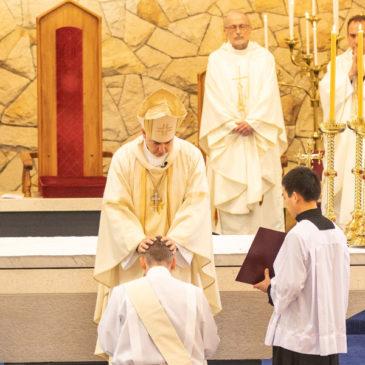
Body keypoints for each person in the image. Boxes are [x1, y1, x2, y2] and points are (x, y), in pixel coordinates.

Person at [93, 89, 221, 355]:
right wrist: (136, 240)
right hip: (137, 260)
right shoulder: (124, 158)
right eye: (155, 143)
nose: (162, 149)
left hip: (175, 257)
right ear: (143, 133)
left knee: (181, 335)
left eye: (168, 142)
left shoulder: (191, 156)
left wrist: (180, 238)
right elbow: (114, 205)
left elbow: (198, 201)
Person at [199, 10, 287, 235]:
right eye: (233, 27)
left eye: (242, 26)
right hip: (231, 139)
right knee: (232, 196)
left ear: (249, 29)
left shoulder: (264, 57)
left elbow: (270, 95)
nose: (238, 31)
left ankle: (266, 255)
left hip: (259, 138)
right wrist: (231, 124)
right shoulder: (216, 60)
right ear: (225, 31)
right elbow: (213, 98)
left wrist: (254, 122)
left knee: (264, 204)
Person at [254, 167, 350, 365]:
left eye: (285, 196)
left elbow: (289, 286)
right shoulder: (337, 233)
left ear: (295, 196)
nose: (286, 202)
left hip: (299, 338)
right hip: (328, 334)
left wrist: (269, 288)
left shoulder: (299, 235)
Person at [98, 236, 220, 365]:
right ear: (173, 263)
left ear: (142, 263)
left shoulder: (122, 292)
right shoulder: (195, 294)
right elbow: (209, 344)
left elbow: (108, 343)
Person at [319, 15, 365, 228]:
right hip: (346, 136)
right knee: (345, 176)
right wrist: (351, 74)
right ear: (347, 36)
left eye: (362, 35)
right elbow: (326, 93)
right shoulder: (338, 64)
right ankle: (347, 226)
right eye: (353, 35)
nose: (357, 40)